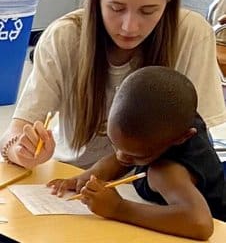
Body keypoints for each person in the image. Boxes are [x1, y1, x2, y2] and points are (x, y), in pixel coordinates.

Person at [1, 0, 226, 169]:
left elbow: (210, 135)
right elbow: (15, 133)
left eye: (148, 11)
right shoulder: (65, 37)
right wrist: (20, 149)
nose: (130, 27)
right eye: (116, 8)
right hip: (71, 174)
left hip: (155, 182)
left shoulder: (191, 33)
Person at [47, 66, 226, 241]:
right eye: (115, 144)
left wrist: (118, 208)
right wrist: (84, 178)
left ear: (182, 138)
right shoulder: (162, 128)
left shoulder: (166, 172)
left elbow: (201, 224)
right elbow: (123, 158)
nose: (120, 156)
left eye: (136, 156)